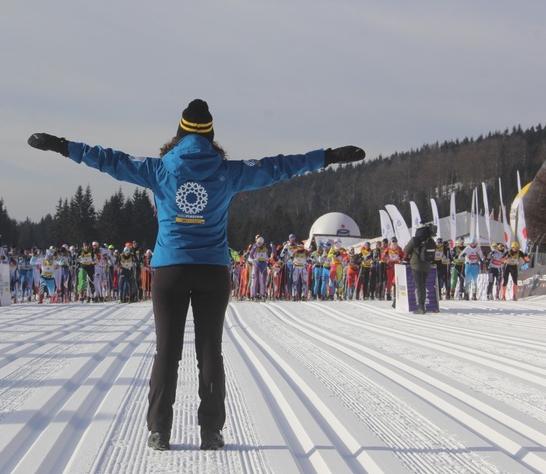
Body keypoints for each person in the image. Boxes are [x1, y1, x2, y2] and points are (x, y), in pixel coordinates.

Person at [28, 98, 364, 451]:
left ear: (180, 132)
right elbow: (280, 167)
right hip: (212, 272)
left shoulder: (159, 169)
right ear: (210, 134)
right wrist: (328, 156)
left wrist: (62, 146)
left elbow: (110, 160)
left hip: (170, 269)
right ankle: (211, 432)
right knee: (210, 352)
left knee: (166, 352)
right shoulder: (230, 171)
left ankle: (159, 430)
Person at [404, 223, 436, 314]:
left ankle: (421, 307)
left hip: (416, 265)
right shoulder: (430, 240)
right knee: (423, 285)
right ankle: (423, 306)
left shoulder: (414, 240)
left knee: (419, 286)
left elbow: (406, 251)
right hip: (427, 265)